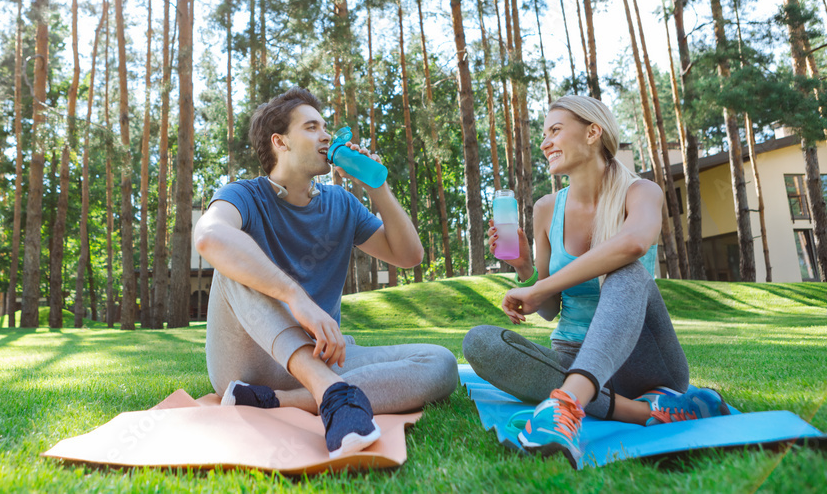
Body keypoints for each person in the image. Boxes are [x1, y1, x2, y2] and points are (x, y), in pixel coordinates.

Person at [462, 95, 729, 468]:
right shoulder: (545, 209)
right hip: (572, 355)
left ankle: (566, 406)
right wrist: (525, 268)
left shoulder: (641, 192)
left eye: (555, 130)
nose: (544, 142)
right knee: (480, 342)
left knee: (627, 269)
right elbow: (551, 311)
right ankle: (641, 412)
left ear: (592, 132)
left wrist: (539, 286)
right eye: (544, 134)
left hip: (644, 362)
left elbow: (634, 243)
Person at [194, 87, 459, 459]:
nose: (326, 136)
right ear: (280, 141)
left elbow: (409, 255)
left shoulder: (342, 203)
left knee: (440, 364)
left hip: (318, 358)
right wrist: (296, 299)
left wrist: (377, 187)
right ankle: (331, 393)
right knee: (230, 257)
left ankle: (281, 401)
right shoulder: (244, 195)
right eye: (312, 127)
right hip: (247, 360)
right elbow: (208, 237)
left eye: (326, 128)